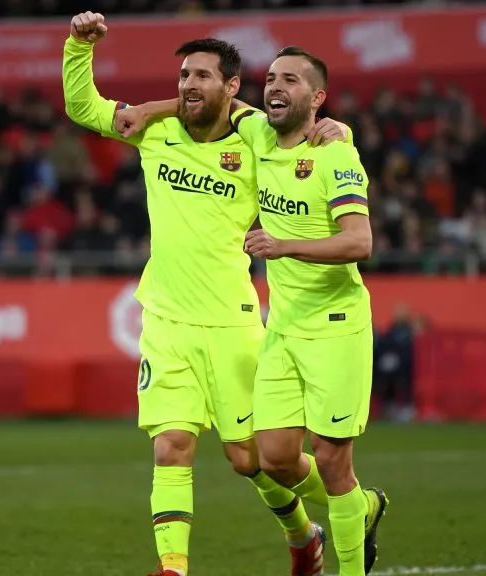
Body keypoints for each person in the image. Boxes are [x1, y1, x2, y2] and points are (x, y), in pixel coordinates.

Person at [63, 13, 349, 576]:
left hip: (232, 321)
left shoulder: (256, 137)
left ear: (232, 86)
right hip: (166, 319)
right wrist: (79, 46)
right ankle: (173, 568)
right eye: (183, 76)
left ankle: (323, 521)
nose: (188, 85)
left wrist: (340, 129)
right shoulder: (153, 130)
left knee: (251, 460)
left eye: (201, 76)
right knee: (170, 444)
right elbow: (82, 105)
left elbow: (311, 130)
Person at [117, 46, 389, 576]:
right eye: (272, 79)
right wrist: (150, 109)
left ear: (318, 97)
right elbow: (203, 102)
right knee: (270, 460)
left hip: (335, 324)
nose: (276, 87)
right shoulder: (256, 137)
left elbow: (360, 244)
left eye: (291, 80)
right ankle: (353, 512)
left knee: (333, 464)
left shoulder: (333, 151)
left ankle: (351, 536)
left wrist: (285, 241)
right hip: (283, 327)